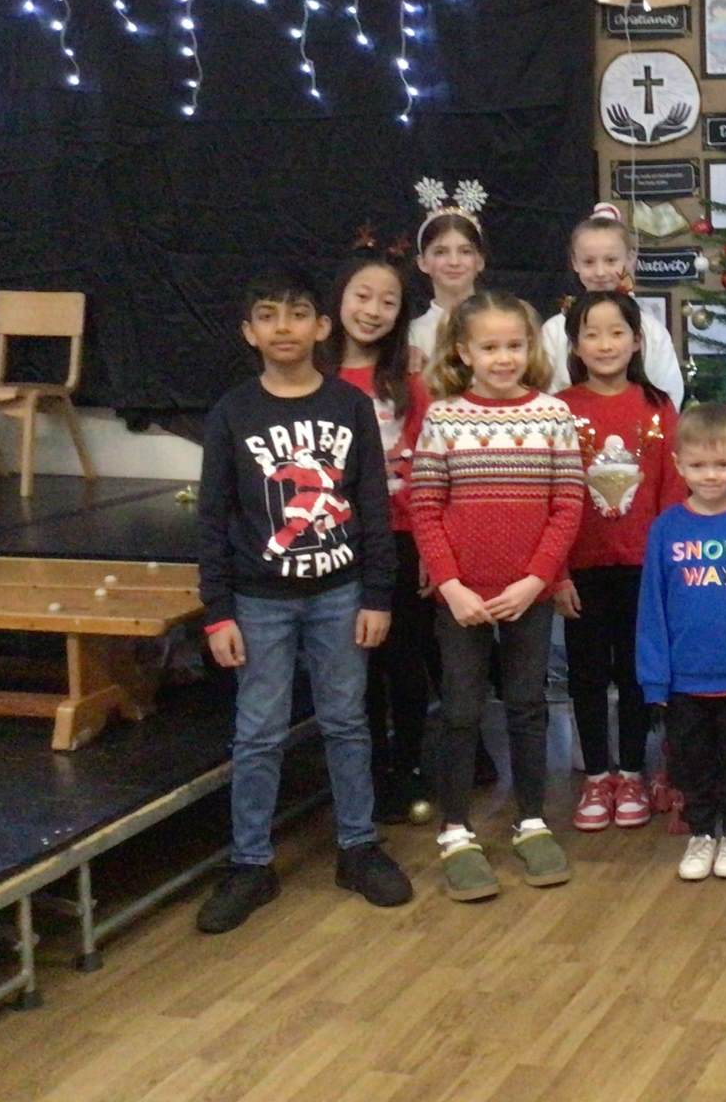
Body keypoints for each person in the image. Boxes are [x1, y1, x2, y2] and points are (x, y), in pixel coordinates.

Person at [195, 267, 411, 933]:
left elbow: (372, 504)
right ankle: (250, 863)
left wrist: (378, 594)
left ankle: (357, 846)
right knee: (257, 732)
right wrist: (217, 610)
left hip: (340, 593)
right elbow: (212, 518)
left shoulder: (349, 406)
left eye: (296, 314)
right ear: (249, 331)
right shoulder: (232, 413)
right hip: (258, 600)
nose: (282, 327)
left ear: (321, 327)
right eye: (268, 315)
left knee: (346, 721)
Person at [411, 290, 584, 901]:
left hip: (527, 596)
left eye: (515, 345)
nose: (504, 357)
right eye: (490, 347)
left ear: (530, 348)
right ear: (464, 352)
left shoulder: (554, 416)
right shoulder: (443, 419)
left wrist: (536, 581)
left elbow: (567, 506)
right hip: (462, 599)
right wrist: (452, 586)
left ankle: (532, 821)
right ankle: (456, 830)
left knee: (527, 706)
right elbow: (426, 508)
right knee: (460, 711)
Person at [556, 291, 685, 831]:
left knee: (636, 673)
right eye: (592, 333)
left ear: (636, 341)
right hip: (580, 568)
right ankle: (595, 777)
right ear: (575, 344)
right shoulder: (558, 408)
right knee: (586, 674)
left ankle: (632, 771)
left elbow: (672, 491)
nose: (605, 344)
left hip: (643, 569)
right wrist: (557, 572)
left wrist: (668, 568)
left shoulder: (658, 407)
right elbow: (551, 493)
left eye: (617, 333)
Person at [637, 403, 726, 881]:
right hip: (684, 680)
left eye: (722, 464)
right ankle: (701, 832)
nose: (711, 475)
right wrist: (655, 677)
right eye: (698, 465)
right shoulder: (666, 528)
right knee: (692, 762)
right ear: (678, 464)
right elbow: (652, 606)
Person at [321, 250, 438, 827]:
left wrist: (430, 544)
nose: (372, 310)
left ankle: (408, 765)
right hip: (335, 540)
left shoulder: (408, 381)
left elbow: (430, 465)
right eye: (362, 296)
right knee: (354, 666)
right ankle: (361, 773)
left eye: (388, 302)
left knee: (405, 661)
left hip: (402, 537)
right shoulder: (314, 379)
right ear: (338, 300)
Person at [540, 203, 685, 408]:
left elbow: (667, 395)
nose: (600, 272)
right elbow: (545, 393)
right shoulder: (555, 331)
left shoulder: (650, 330)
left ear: (630, 259)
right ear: (575, 262)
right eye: (589, 262)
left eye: (610, 260)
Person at [408, 187, 488, 362]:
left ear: (480, 261)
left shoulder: (501, 322)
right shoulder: (413, 334)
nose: (454, 262)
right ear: (423, 263)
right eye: (440, 252)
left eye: (465, 251)